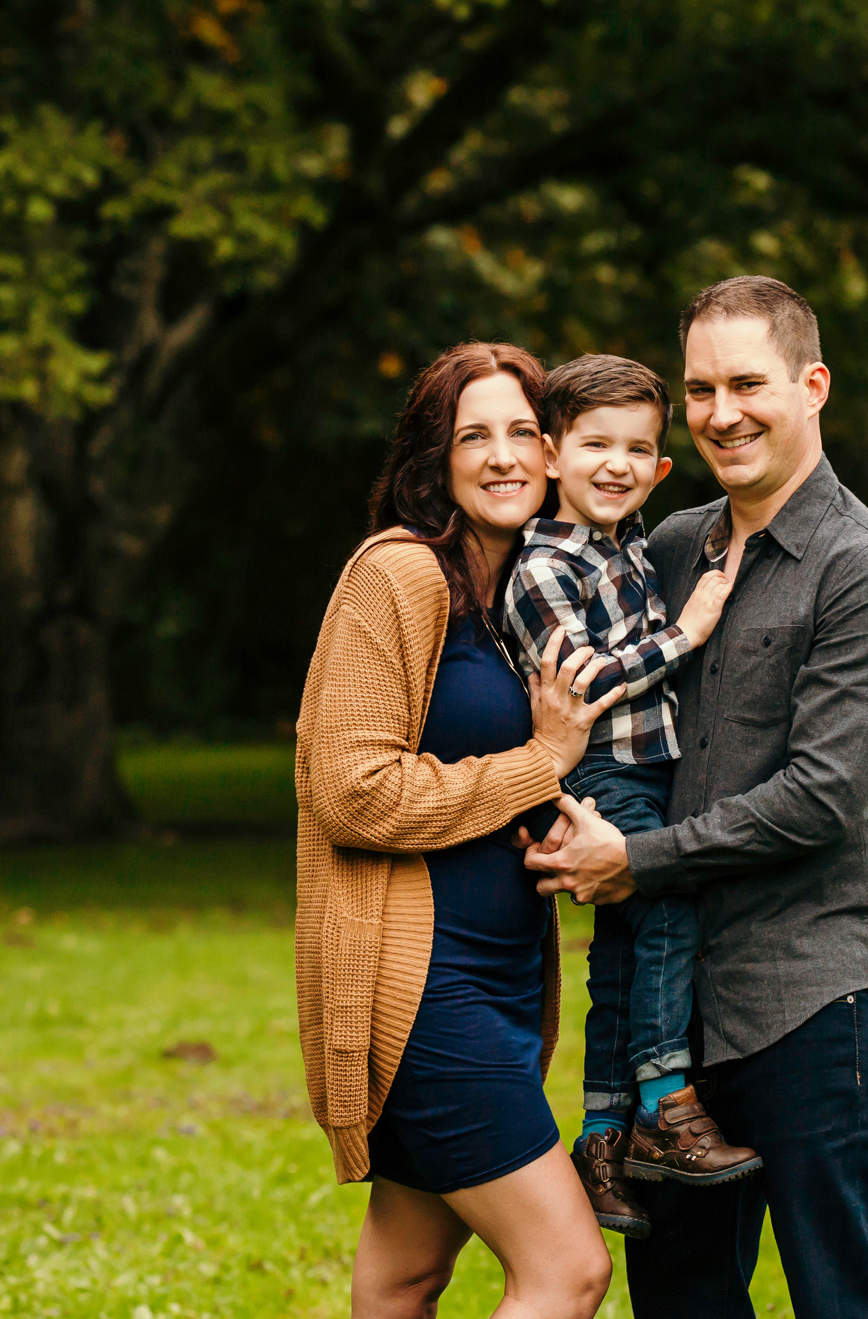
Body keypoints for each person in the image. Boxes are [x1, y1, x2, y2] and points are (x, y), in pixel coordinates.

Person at [524, 277, 868, 1319]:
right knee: (680, 1304)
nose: (722, 413)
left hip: (807, 998)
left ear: (813, 385)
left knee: (843, 1297)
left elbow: (822, 796)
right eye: (701, 389)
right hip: (670, 1016)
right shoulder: (663, 549)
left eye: (747, 383)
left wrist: (634, 860)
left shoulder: (867, 571)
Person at [294, 341, 626, 1319]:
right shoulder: (398, 577)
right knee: (567, 1270)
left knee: (403, 1278)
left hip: (503, 976)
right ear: (433, 461)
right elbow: (349, 789)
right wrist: (541, 761)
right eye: (473, 435)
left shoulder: (525, 592)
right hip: (423, 995)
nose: (504, 455)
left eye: (524, 430)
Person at [499, 355, 759, 1242]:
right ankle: (664, 1104)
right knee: (669, 904)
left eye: (637, 448)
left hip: (648, 770)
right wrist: (687, 633)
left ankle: (601, 1140)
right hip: (605, 774)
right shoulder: (539, 568)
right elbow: (588, 682)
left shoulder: (630, 546)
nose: (614, 463)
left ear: (658, 468)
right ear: (550, 454)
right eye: (594, 443)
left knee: (620, 956)